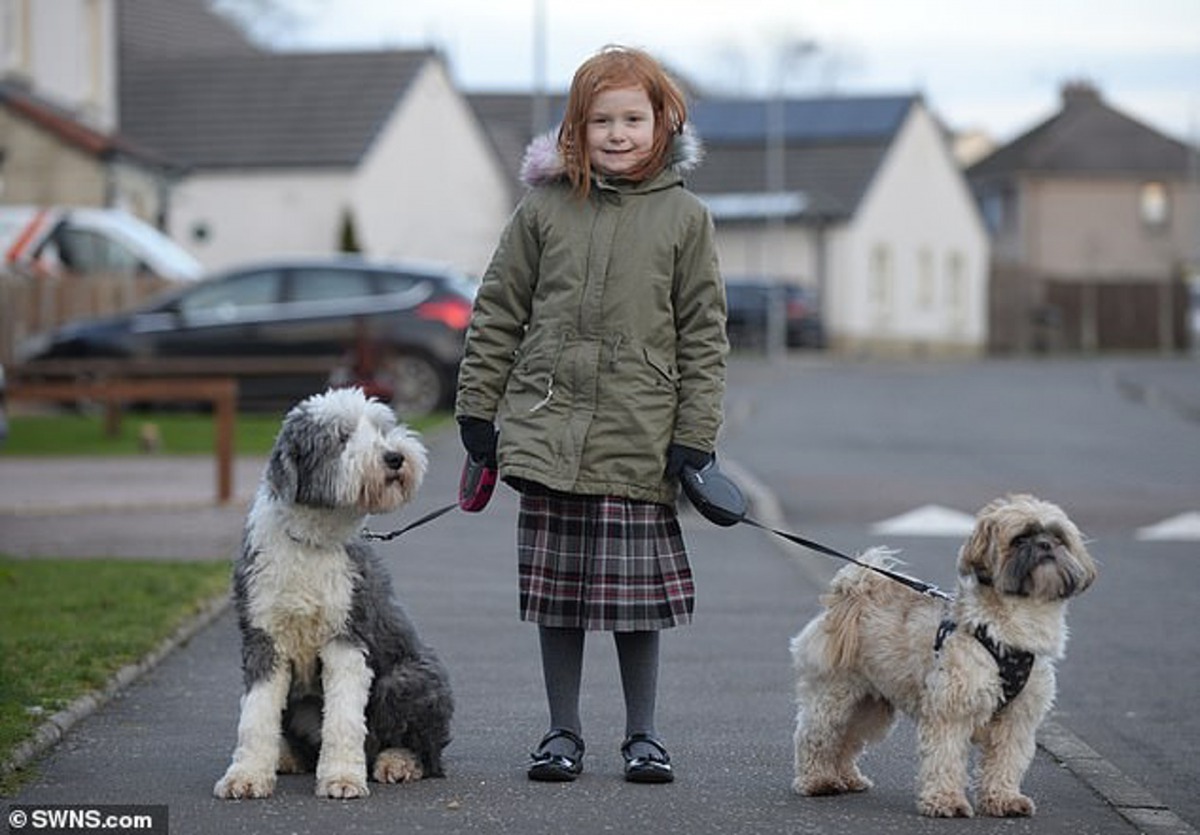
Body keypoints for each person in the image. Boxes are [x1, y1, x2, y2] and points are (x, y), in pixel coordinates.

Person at [455, 44, 728, 784]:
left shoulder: (686, 218)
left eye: (633, 119)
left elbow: (704, 334)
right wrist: (477, 409)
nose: (617, 133)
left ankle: (644, 735)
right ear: (576, 127)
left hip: (641, 437)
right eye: (602, 120)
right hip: (549, 433)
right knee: (560, 598)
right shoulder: (543, 209)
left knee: (637, 605)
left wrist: (695, 437)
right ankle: (561, 732)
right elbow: (498, 310)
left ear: (662, 123)